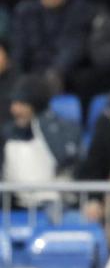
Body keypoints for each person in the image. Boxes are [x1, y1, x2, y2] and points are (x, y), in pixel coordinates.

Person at [10, 0, 93, 95]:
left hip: (66, 82)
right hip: (28, 82)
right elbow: (18, 54)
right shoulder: (25, 11)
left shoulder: (81, 10)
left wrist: (48, 80)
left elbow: (71, 50)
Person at [1, 75, 80, 209]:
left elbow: (65, 159)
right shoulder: (6, 133)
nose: (14, 109)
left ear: (35, 104)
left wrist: (42, 125)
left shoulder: (63, 129)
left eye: (21, 103)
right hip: (14, 207)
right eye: (13, 103)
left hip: (55, 206)